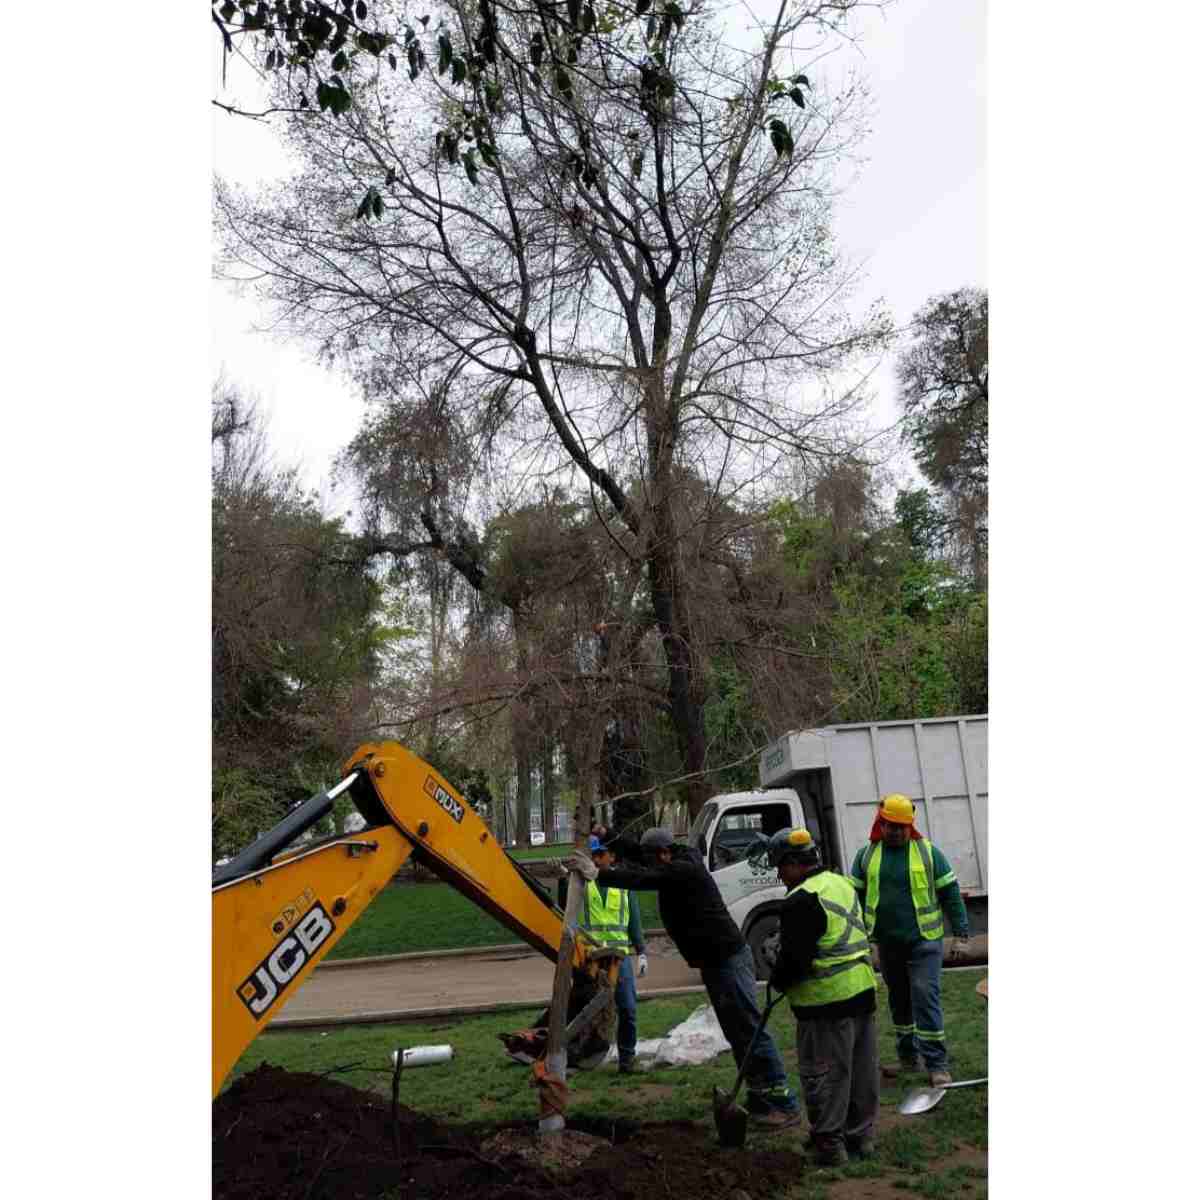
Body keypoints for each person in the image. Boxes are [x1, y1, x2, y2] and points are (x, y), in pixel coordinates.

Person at [565, 828, 802, 1128]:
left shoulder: (683, 870)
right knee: (737, 1030)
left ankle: (783, 1101)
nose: (649, 864)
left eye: (653, 860)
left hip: (726, 959)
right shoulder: (672, 857)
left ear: (663, 855)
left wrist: (600, 875)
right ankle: (760, 1095)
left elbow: (644, 879)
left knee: (748, 1028)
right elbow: (641, 856)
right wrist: (609, 835)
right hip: (714, 962)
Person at [765, 827, 878, 1167]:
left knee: (825, 1073)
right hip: (861, 991)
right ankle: (861, 1137)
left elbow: (796, 963)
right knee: (860, 1071)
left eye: (779, 867)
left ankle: (829, 1144)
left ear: (794, 864)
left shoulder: (801, 899)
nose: (779, 875)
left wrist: (777, 972)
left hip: (825, 1003)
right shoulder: (841, 884)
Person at [849, 793, 971, 1088]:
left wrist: (962, 936)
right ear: (882, 823)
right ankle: (908, 1059)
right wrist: (859, 938)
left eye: (903, 826)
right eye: (892, 826)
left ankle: (937, 1065)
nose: (897, 832)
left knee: (924, 998)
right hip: (888, 945)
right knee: (899, 1001)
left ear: (911, 826)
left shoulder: (929, 853)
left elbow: (951, 894)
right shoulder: (866, 856)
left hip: (924, 942)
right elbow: (853, 898)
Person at [560, 836, 648, 1074]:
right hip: (591, 958)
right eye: (593, 855)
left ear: (613, 856)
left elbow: (634, 921)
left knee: (627, 1009)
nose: (596, 860)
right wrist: (564, 877)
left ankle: (627, 1060)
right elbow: (566, 910)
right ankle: (576, 1057)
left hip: (619, 959)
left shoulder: (623, 884)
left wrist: (641, 952)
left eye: (600, 855)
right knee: (583, 1011)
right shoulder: (582, 882)